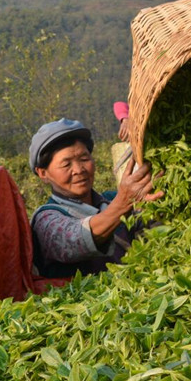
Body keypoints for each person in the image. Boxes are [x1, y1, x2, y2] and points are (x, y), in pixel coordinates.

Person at [29, 118, 162, 278]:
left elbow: (154, 231)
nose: (79, 169)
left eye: (84, 159)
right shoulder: (46, 220)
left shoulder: (111, 199)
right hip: (85, 301)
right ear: (43, 173)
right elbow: (76, 238)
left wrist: (157, 208)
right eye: (66, 165)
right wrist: (123, 203)